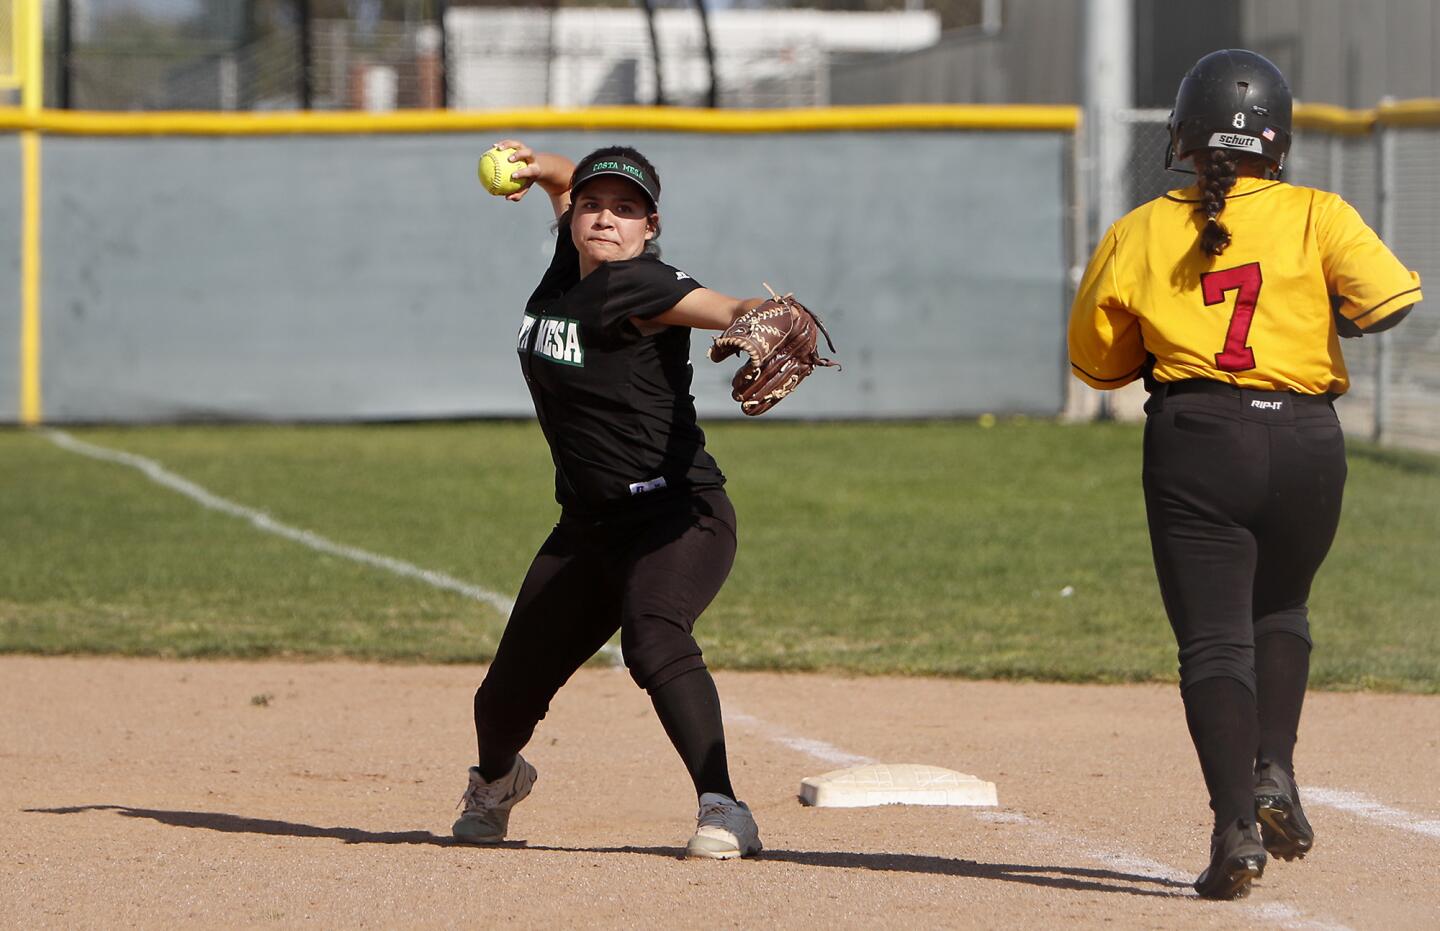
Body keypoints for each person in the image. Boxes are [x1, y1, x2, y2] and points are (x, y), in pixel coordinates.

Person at [1068, 50, 1422, 900]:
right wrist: (1312, 310)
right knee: (1284, 607)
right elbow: (1391, 301)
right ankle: (1276, 771)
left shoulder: (1142, 229)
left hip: (1198, 437)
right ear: (1281, 140)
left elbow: (1098, 364)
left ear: (1183, 138)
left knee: (1214, 639)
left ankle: (1235, 827)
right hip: (1306, 438)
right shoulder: (1319, 212)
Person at [452, 140, 777, 859]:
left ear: (650, 226)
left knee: (652, 633)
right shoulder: (572, 267)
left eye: (626, 209)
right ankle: (500, 782)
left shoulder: (643, 284)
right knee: (499, 702)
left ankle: (725, 806)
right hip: (588, 528)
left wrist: (760, 318)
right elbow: (571, 178)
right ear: (573, 219)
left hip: (675, 515)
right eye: (593, 204)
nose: (605, 217)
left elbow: (725, 304)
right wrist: (541, 169)